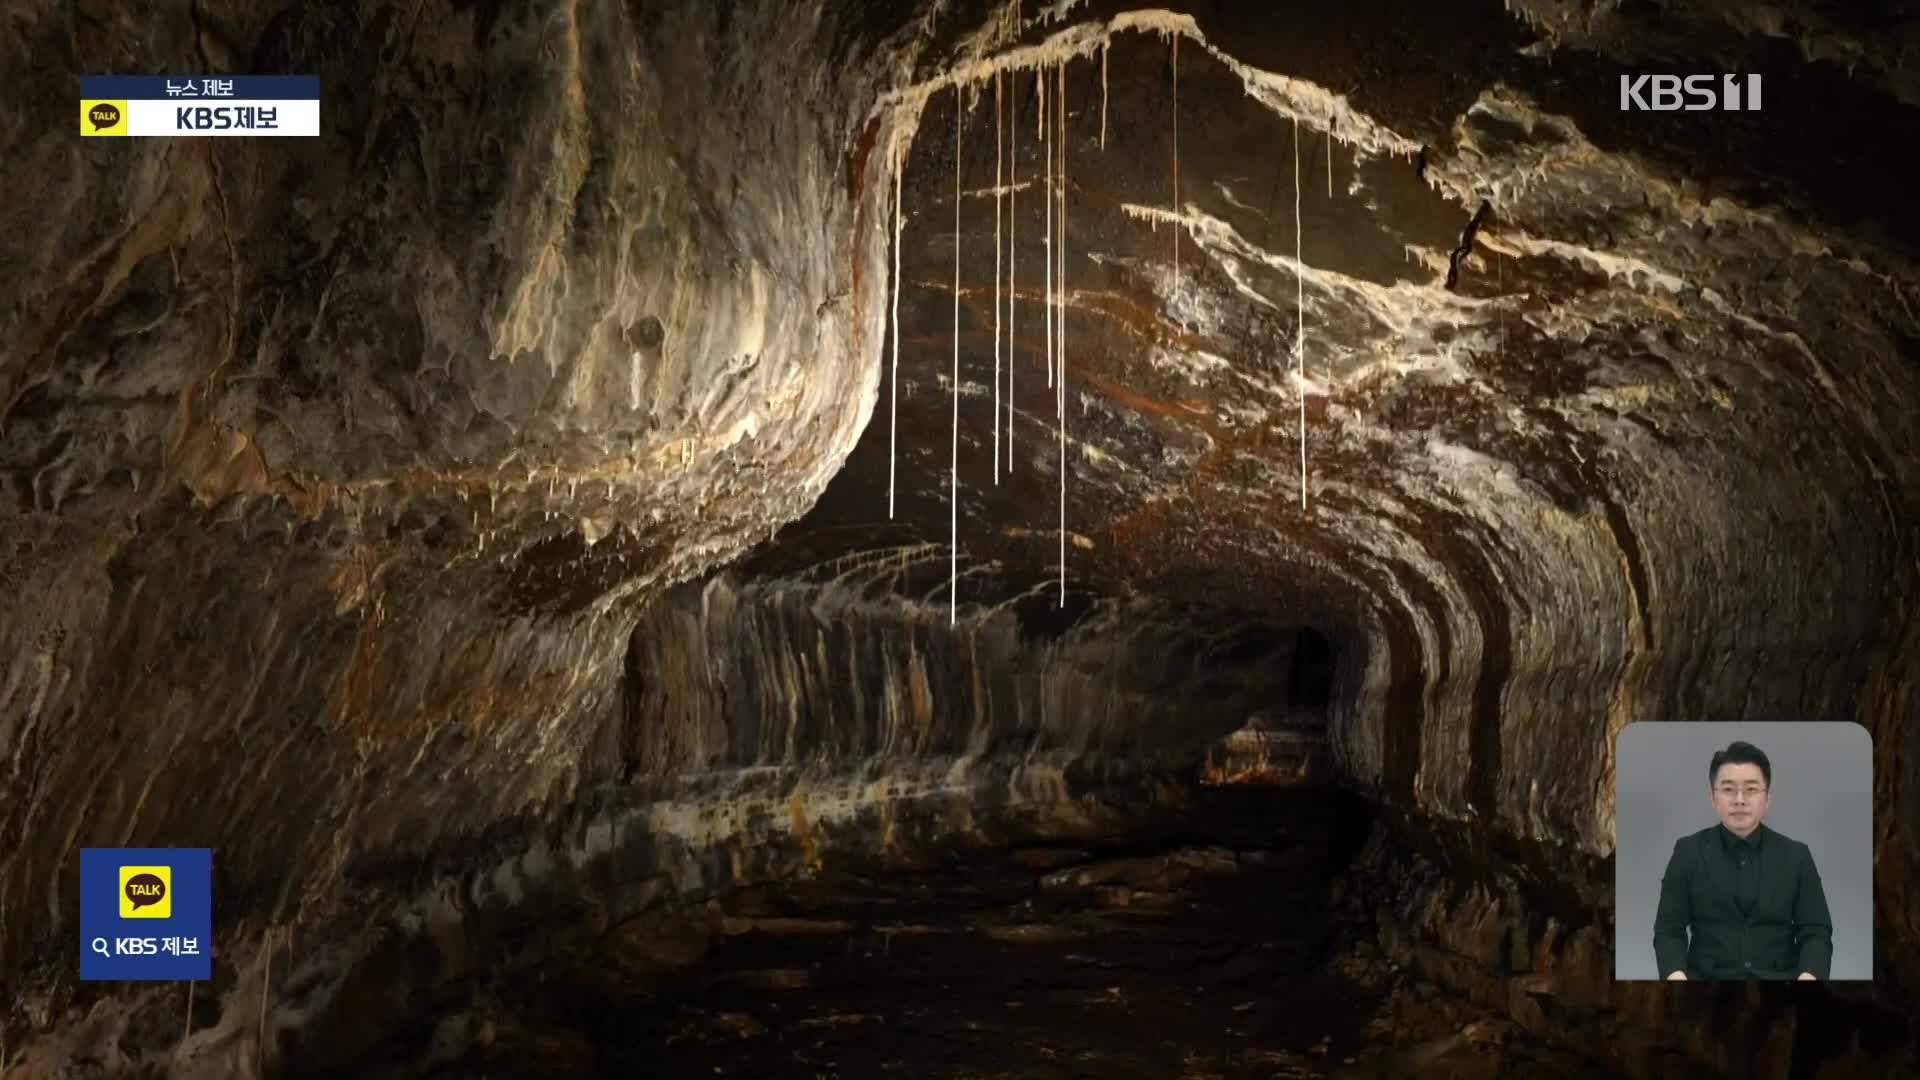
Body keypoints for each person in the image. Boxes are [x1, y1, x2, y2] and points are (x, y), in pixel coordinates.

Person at [1652, 740, 1833, 980]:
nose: (1739, 799)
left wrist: (1809, 978)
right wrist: (1676, 979)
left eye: (1751, 789)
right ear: (1713, 798)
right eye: (1728, 789)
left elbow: (1816, 932)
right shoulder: (1687, 852)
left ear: (1767, 798)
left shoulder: (1797, 856)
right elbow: (1668, 930)